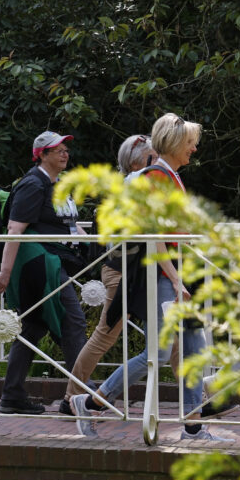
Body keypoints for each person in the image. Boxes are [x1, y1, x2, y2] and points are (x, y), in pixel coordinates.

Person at [71, 113, 231, 441]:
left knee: (192, 351)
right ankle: (91, 402)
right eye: (190, 143)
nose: (195, 149)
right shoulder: (158, 176)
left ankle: (193, 427)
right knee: (158, 355)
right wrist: (174, 279)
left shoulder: (167, 175)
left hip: (174, 273)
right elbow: (155, 234)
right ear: (173, 144)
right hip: (162, 275)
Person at [60, 134, 181, 412]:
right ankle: (72, 398)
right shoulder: (138, 183)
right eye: (155, 157)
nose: (160, 162)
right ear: (143, 160)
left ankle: (196, 402)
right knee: (107, 334)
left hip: (136, 270)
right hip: (124, 272)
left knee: (171, 338)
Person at [0, 131, 87, 415]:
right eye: (57, 149)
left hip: (54, 262)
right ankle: (80, 395)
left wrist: (97, 248)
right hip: (39, 265)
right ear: (41, 155)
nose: (64, 153)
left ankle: (12, 395)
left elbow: (71, 226)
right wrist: (5, 273)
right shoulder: (33, 184)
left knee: (33, 325)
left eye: (66, 149)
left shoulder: (57, 185)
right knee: (73, 321)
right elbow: (14, 229)